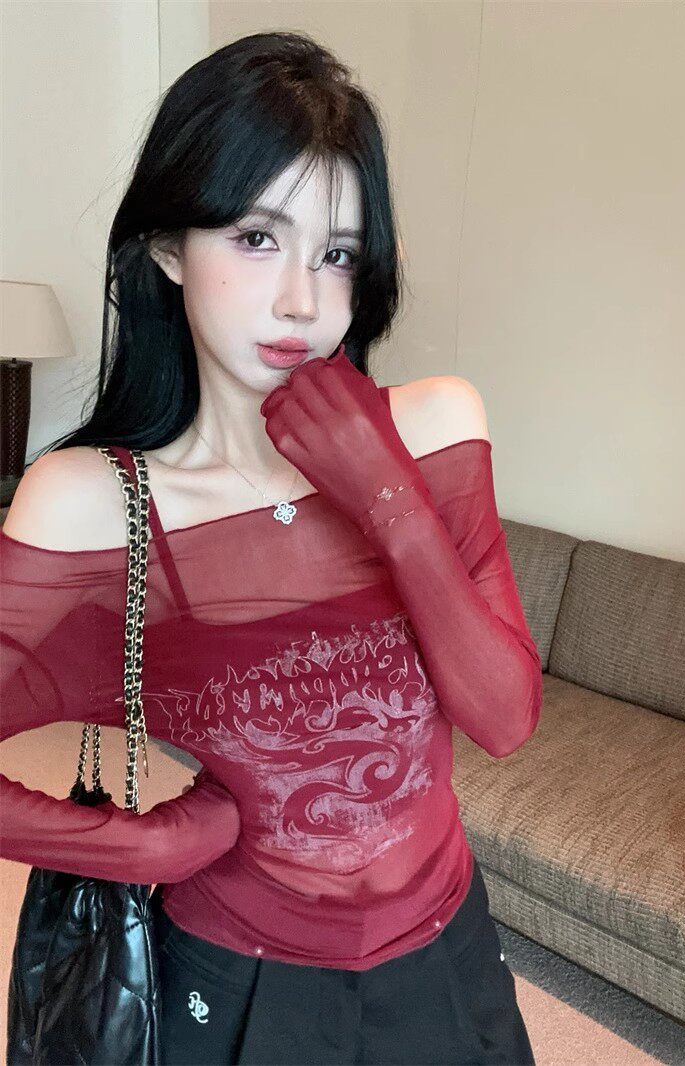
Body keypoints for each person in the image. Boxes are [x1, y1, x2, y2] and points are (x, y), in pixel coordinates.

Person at [1, 30, 542, 1065]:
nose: (303, 300)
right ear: (168, 247)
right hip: (234, 978)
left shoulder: (434, 426)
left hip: (448, 947)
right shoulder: (94, 503)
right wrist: (146, 842)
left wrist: (383, 494)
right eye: (256, 237)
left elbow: (504, 718)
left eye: (337, 254)